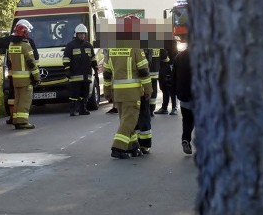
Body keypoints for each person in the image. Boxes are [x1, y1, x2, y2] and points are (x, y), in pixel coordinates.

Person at [102, 15, 152, 159]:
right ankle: (118, 147)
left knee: (126, 120)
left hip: (118, 93)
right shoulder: (135, 47)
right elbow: (143, 71)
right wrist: (148, 89)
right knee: (129, 121)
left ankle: (132, 146)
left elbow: (107, 73)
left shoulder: (112, 47)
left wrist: (106, 91)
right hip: (132, 93)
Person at [6, 19, 40, 130]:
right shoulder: (26, 46)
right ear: (24, 33)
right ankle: (23, 122)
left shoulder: (11, 45)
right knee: (25, 101)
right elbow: (31, 63)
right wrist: (37, 77)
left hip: (15, 79)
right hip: (26, 79)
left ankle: (16, 120)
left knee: (18, 100)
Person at [62, 23, 97, 116]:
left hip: (86, 75)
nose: (82, 35)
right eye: (80, 34)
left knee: (85, 94)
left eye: (84, 34)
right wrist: (67, 70)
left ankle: (83, 109)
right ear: (76, 34)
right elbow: (66, 59)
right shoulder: (70, 45)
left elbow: (93, 58)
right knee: (74, 94)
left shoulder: (88, 45)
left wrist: (96, 68)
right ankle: (73, 110)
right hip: (75, 75)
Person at [173, 43, 194, 154]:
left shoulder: (180, 57)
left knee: (187, 120)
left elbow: (174, 76)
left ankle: (185, 139)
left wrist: (176, 91)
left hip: (184, 95)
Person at [154, 40, 178, 114]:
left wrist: (170, 62)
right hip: (163, 66)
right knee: (164, 87)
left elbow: (172, 54)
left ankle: (174, 108)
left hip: (168, 65)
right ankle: (165, 107)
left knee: (170, 87)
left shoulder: (170, 40)